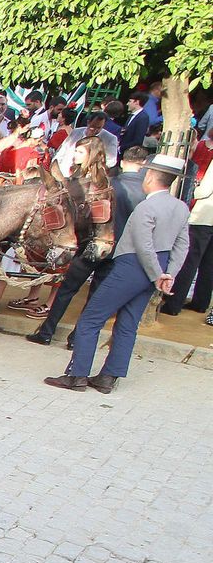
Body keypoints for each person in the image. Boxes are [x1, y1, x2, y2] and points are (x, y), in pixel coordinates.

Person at [47, 155, 190, 393]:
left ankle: (77, 374)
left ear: (151, 177)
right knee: (128, 323)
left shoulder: (147, 207)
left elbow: (143, 246)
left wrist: (158, 275)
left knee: (91, 318)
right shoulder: (180, 207)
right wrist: (168, 273)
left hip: (134, 265)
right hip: (159, 265)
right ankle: (108, 377)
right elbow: (182, 245)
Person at [28, 145, 149, 347]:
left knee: (67, 290)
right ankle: (76, 338)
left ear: (122, 162)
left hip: (92, 244)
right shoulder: (146, 192)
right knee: (95, 295)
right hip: (119, 249)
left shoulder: (107, 185)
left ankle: (47, 332)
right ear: (143, 164)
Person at [160, 160, 213, 321]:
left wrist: (193, 189)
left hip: (202, 217)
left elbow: (204, 191)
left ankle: (173, 304)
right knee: (209, 264)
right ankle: (201, 303)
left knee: (189, 262)